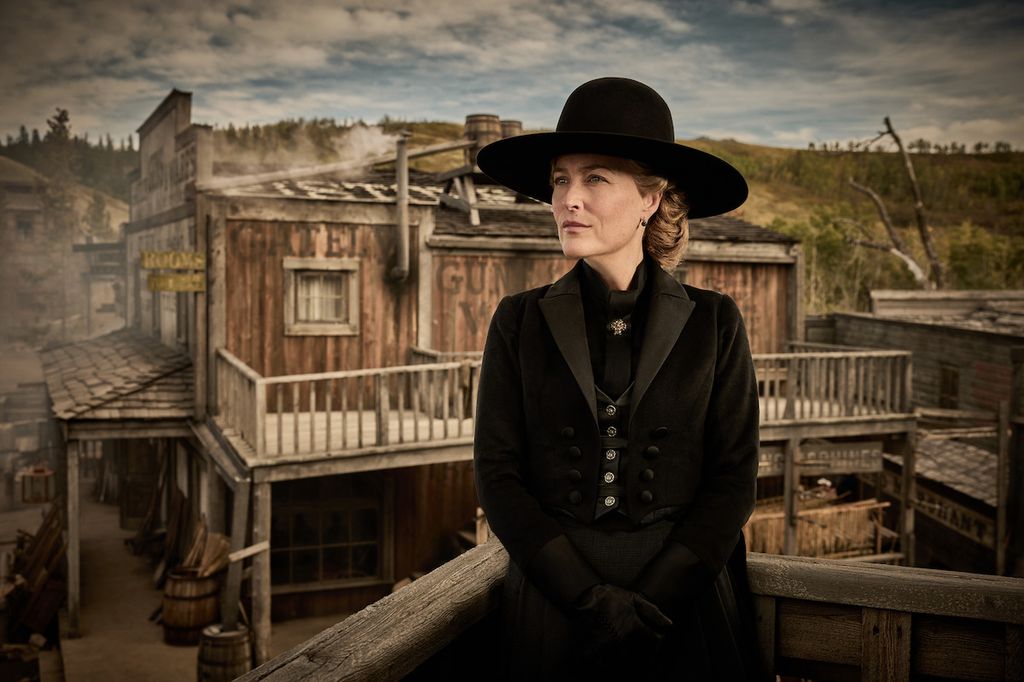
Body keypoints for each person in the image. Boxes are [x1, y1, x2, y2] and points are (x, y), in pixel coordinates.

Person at [472, 77, 762, 680]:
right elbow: (499, 477)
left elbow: (733, 480)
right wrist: (589, 600)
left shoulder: (715, 322)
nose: (568, 200)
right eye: (560, 180)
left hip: (683, 609)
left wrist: (650, 603)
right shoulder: (517, 321)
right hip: (555, 604)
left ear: (651, 201)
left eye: (595, 179)